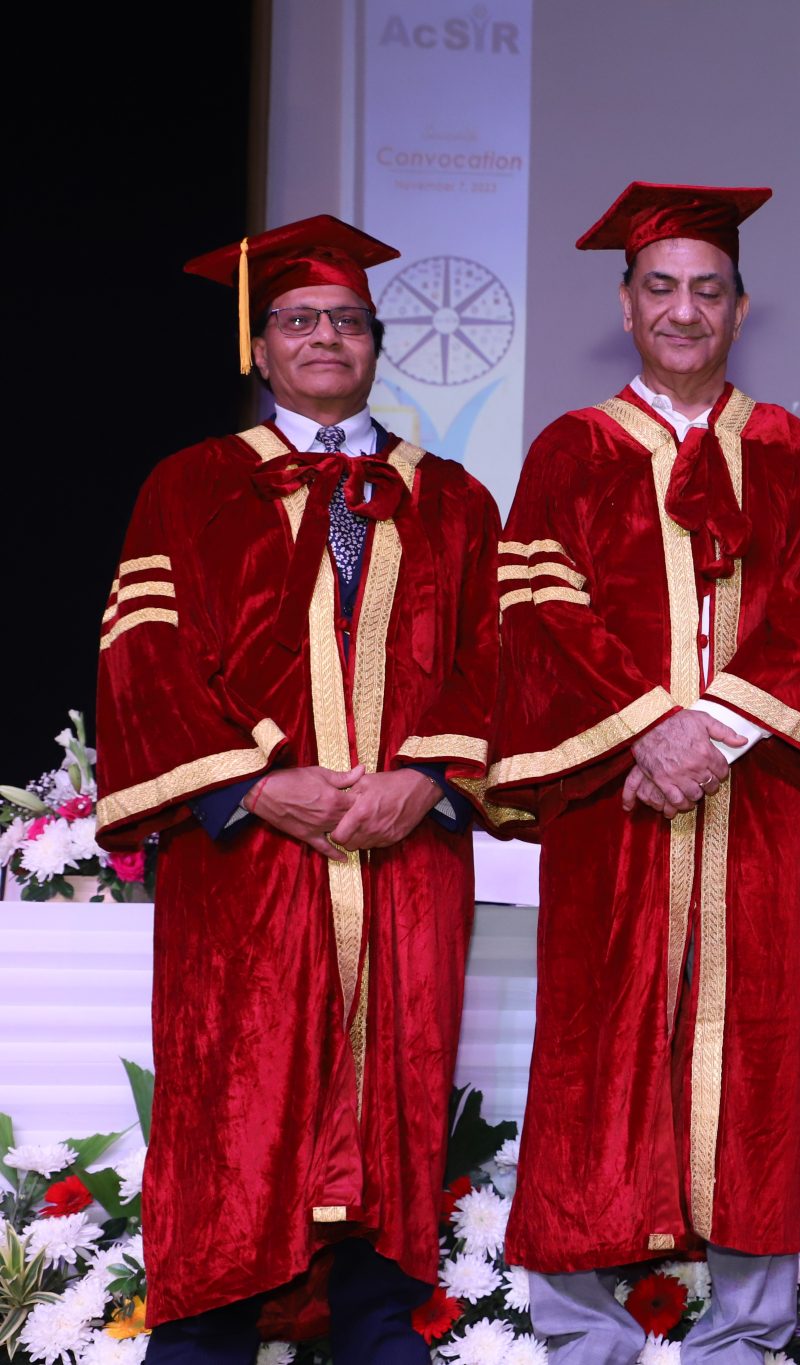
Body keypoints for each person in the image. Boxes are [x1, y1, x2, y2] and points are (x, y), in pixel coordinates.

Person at [95, 216, 502, 1363]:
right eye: (299, 320)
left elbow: (496, 657)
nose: (325, 337)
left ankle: (381, 1327)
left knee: (392, 1108)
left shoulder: (453, 498)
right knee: (236, 1111)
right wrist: (250, 787)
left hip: (405, 859)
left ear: (377, 341)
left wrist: (425, 779)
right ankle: (205, 1339)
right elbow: (145, 658)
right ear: (259, 344)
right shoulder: (190, 487)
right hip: (245, 868)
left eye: (347, 320)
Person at [487, 183, 800, 1365]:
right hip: (613, 792)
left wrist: (718, 732)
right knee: (590, 1038)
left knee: (753, 1046)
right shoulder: (571, 448)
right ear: (625, 306)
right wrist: (651, 732)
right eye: (660, 289)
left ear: (739, 309)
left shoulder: (793, 452)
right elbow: (541, 606)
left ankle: (746, 1333)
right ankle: (579, 1330)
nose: (683, 310)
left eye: (707, 290)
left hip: (749, 795)